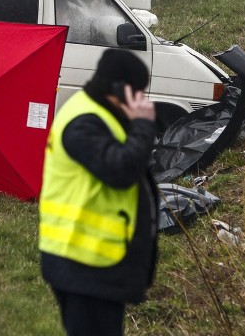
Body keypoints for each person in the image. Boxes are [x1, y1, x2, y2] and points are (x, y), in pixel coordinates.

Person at [39, 49, 159, 336]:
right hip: (84, 261)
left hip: (92, 260)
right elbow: (121, 171)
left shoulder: (100, 114)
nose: (144, 101)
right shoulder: (84, 123)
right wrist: (143, 125)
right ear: (119, 89)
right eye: (139, 93)